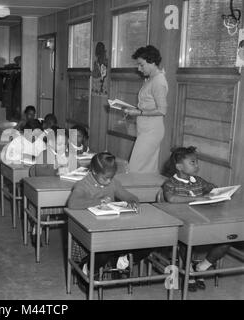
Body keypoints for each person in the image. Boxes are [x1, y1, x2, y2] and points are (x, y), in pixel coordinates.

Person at [162, 146, 230, 292]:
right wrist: (199, 197)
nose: (197, 165)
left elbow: (212, 189)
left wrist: (219, 193)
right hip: (183, 224)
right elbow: (171, 198)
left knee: (226, 241)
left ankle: (200, 268)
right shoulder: (170, 183)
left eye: (197, 162)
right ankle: (188, 272)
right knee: (187, 243)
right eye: (192, 162)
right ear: (179, 166)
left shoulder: (198, 181)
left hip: (203, 221)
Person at [68, 153, 144, 278]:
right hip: (90, 229)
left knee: (144, 243)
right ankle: (86, 268)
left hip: (110, 227)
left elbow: (128, 195)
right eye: (105, 178)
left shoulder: (113, 183)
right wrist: (99, 201)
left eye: (111, 177)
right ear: (93, 171)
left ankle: (121, 262)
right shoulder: (83, 184)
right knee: (104, 249)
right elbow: (72, 203)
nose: (109, 181)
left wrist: (132, 201)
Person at [123, 45, 168, 174]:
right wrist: (133, 109)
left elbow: (162, 111)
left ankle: (137, 192)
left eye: (141, 65)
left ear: (152, 62)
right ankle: (145, 193)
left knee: (135, 168)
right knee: (147, 168)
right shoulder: (150, 79)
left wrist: (139, 112)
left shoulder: (158, 81)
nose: (139, 68)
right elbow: (148, 104)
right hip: (145, 128)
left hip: (152, 130)